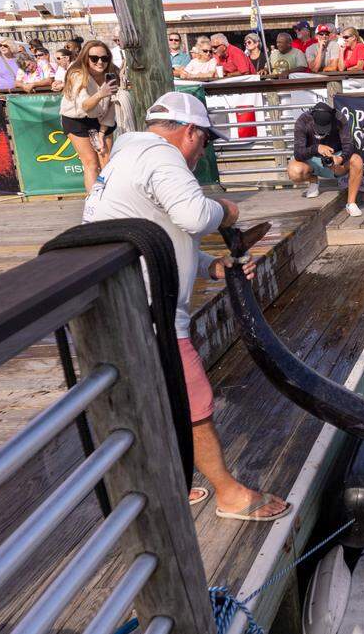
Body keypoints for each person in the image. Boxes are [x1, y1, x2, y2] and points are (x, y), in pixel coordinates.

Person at [82, 92, 292, 523]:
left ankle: (166, 483)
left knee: (149, 398)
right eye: (206, 141)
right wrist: (228, 211)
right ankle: (229, 494)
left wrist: (212, 266)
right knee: (195, 400)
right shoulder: (161, 156)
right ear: (190, 131)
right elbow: (195, 217)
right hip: (150, 313)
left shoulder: (126, 156)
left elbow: (160, 232)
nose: (202, 152)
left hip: (118, 305)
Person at [60, 40, 119, 192]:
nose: (100, 62)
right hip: (76, 119)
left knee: (107, 161)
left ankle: (111, 198)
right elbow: (85, 106)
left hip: (101, 118)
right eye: (94, 58)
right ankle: (94, 203)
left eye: (104, 58)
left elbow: (112, 105)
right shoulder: (77, 74)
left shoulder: (112, 73)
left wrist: (102, 132)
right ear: (86, 58)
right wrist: (101, 93)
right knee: (91, 163)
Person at [286, 102, 364, 216]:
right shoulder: (303, 120)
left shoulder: (339, 118)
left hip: (335, 158)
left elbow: (349, 145)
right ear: (312, 117)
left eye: (326, 128)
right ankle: (313, 180)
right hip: (311, 159)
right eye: (319, 129)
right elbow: (298, 153)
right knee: (294, 172)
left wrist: (340, 158)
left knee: (357, 161)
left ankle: (351, 203)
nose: (322, 132)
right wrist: (316, 148)